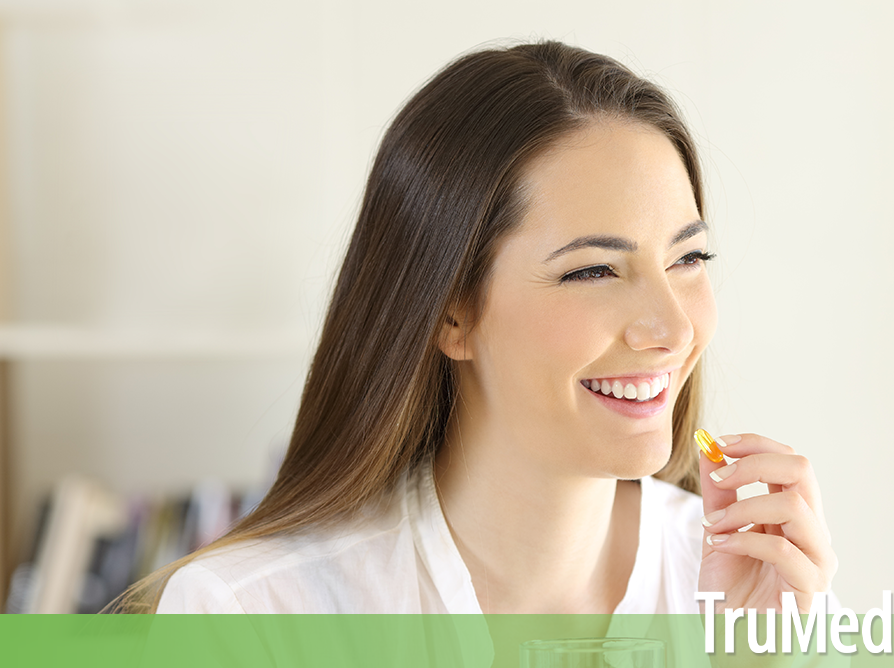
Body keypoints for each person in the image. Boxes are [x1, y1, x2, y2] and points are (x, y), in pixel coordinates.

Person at [128, 40, 836, 622]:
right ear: (450, 312)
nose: (673, 327)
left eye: (688, 259)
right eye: (593, 271)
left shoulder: (753, 593)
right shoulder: (252, 617)